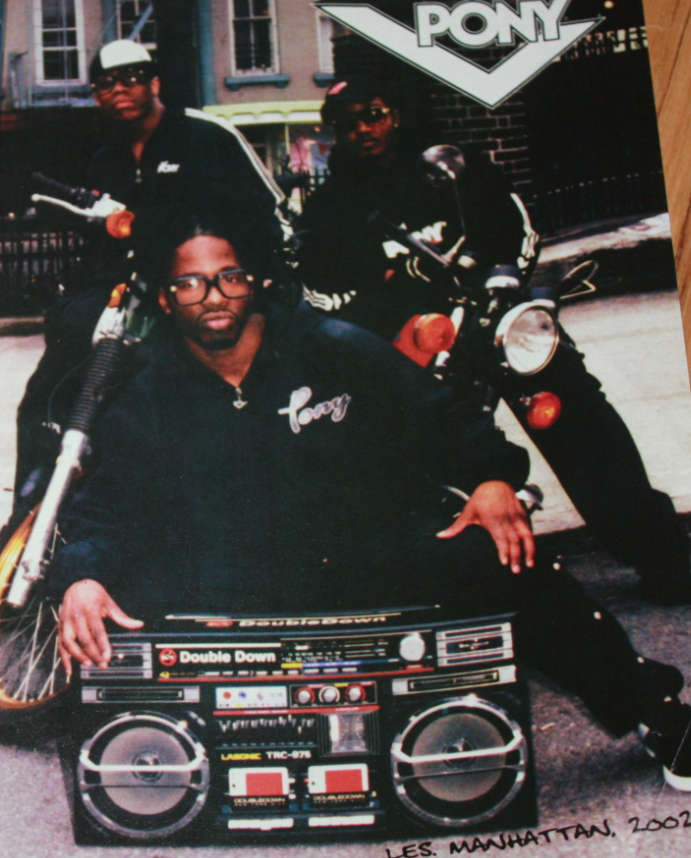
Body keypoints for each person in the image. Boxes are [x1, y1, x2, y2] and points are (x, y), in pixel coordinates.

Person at [49, 198, 691, 792]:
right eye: (190, 283)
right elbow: (105, 507)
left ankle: (653, 708)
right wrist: (82, 576)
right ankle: (170, 765)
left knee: (505, 555)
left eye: (229, 277)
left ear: (255, 280)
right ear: (166, 299)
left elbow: (445, 413)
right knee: (107, 606)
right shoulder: (147, 395)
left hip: (365, 553)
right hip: (234, 578)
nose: (213, 297)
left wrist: (491, 479)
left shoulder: (332, 347)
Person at [296, 75, 691, 605]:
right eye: (348, 123)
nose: (363, 130)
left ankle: (664, 559)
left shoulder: (451, 170)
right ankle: (485, 587)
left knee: (584, 429)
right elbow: (325, 290)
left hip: (495, 325)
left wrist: (503, 277)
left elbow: (516, 229)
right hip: (422, 350)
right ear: (333, 131)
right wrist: (395, 289)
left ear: (394, 116)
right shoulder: (329, 206)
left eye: (373, 114)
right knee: (444, 463)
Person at [12, 38, 284, 516]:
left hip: (209, 289)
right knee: (48, 393)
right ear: (95, 94)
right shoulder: (105, 159)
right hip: (137, 295)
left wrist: (252, 282)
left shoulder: (205, 135)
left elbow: (268, 218)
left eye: (132, 77)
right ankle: (34, 512)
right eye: (105, 83)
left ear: (155, 83)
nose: (118, 89)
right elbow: (107, 252)